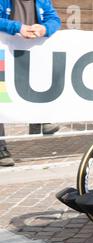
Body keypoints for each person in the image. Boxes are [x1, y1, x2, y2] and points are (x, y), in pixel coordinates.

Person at [0, 0, 61, 166]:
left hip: (28, 54)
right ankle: (1, 148)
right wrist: (18, 28)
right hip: (4, 53)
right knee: (1, 100)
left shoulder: (42, 0)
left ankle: (38, 120)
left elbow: (54, 19)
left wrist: (44, 28)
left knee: (39, 82)